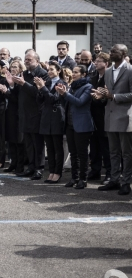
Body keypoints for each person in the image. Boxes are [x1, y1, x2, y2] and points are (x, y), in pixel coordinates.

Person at [92, 44, 132, 195]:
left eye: (115, 50)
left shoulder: (130, 70)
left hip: (125, 116)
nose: (111, 52)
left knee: (126, 153)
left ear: (123, 53)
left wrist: (113, 96)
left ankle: (126, 182)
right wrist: (101, 96)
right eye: (111, 50)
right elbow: (108, 93)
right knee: (113, 151)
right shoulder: (108, 72)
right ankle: (114, 179)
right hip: (109, 115)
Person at [12, 50, 49, 180]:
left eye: (29, 59)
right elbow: (18, 93)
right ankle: (31, 167)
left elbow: (38, 94)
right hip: (24, 114)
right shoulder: (24, 74)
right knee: (28, 143)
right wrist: (11, 85)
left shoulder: (43, 74)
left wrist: (23, 83)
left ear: (37, 61)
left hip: (36, 114)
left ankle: (39, 168)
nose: (26, 61)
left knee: (37, 143)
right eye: (25, 59)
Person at [56, 65, 94, 189]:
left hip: (82, 125)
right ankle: (74, 178)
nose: (73, 74)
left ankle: (83, 179)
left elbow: (79, 102)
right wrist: (62, 94)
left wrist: (65, 94)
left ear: (83, 74)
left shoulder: (88, 87)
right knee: (73, 153)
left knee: (82, 154)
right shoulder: (72, 86)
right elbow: (67, 103)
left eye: (76, 72)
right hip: (70, 124)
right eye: (73, 71)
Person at [36, 61, 66, 183]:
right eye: (48, 70)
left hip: (56, 117)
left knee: (57, 147)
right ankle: (51, 171)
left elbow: (54, 99)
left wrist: (43, 88)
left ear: (58, 71)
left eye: (52, 69)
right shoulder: (47, 82)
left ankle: (57, 172)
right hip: (46, 117)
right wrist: (40, 89)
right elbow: (40, 100)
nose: (49, 72)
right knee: (50, 147)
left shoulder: (62, 83)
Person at [0, 61, 26, 174]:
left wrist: (7, 91)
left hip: (18, 114)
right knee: (11, 141)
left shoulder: (20, 80)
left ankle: (20, 166)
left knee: (19, 141)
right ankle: (13, 164)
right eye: (11, 67)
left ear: (20, 68)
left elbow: (17, 99)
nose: (12, 68)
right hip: (9, 113)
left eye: (15, 67)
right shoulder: (8, 79)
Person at [88, 52, 111, 183]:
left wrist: (100, 98)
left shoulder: (110, 77)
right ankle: (95, 170)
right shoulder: (93, 76)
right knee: (94, 144)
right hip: (93, 115)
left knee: (106, 146)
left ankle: (109, 173)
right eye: (95, 60)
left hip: (105, 115)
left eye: (99, 61)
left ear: (106, 63)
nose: (95, 63)